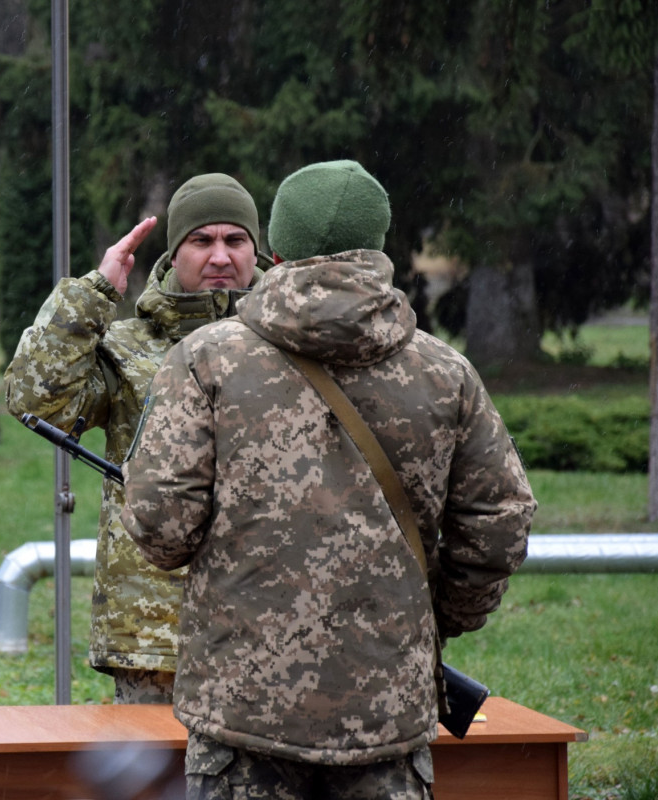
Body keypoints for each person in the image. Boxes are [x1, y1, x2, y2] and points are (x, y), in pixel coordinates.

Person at [121, 160, 535, 797]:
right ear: (379, 246)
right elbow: (500, 521)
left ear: (275, 248)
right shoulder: (446, 373)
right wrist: (434, 618)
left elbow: (161, 528)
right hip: (386, 713)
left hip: (242, 720)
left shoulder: (206, 361)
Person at [4, 173, 274, 703]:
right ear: (173, 254)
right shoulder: (127, 348)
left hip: (270, 629)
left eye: (235, 240)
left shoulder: (288, 340)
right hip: (155, 639)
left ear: (257, 252)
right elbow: (36, 401)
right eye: (201, 241)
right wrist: (94, 294)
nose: (220, 256)